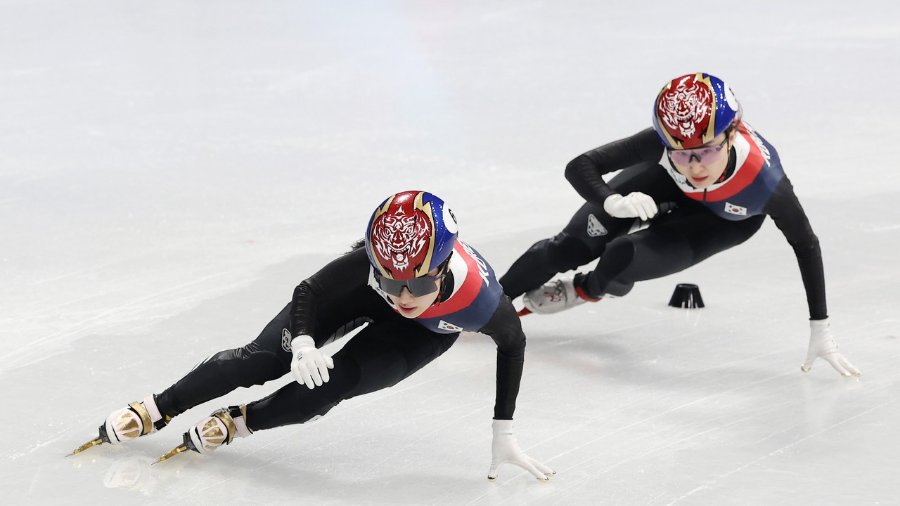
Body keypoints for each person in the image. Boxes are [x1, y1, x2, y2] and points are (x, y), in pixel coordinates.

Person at [71, 190, 555, 482]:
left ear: (444, 267)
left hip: (423, 336)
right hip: (355, 299)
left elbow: (513, 345)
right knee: (259, 360)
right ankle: (158, 407)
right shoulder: (371, 264)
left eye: (420, 284)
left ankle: (240, 423)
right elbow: (311, 289)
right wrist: (302, 341)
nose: (404, 297)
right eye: (390, 280)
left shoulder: (481, 302)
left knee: (326, 391)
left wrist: (503, 431)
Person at [499, 72, 860, 377]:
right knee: (569, 247)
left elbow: (806, 245)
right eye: (682, 154)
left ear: (732, 136)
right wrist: (615, 201)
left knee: (620, 257)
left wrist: (821, 328)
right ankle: (493, 301)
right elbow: (580, 166)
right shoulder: (667, 144)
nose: (695, 166)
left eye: (707, 151)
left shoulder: (765, 185)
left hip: (720, 221)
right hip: (661, 184)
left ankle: (585, 289)